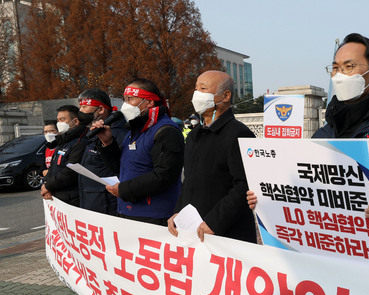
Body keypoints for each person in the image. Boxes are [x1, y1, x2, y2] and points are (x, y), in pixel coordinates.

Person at [248, 33, 369, 273]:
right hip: (325, 261)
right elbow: (304, 189)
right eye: (335, 68)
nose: (339, 75)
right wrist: (266, 198)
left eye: (349, 67)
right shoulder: (324, 132)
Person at [168, 70, 256, 243]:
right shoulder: (195, 135)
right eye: (196, 89)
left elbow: (244, 185)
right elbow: (189, 180)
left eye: (203, 89)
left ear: (225, 96)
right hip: (194, 230)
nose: (196, 94)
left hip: (227, 233)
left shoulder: (238, 133)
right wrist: (178, 212)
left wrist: (215, 222)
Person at [94, 78, 183, 225]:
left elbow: (165, 175)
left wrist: (123, 189)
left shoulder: (165, 130)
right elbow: (121, 168)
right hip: (129, 210)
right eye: (124, 99)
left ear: (149, 102)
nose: (125, 104)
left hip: (154, 214)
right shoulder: (135, 129)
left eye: (131, 99)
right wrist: (107, 143)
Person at [77, 89, 128, 215]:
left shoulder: (119, 133)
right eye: (80, 107)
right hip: (92, 200)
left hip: (108, 203)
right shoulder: (93, 132)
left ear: (101, 110)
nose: (80, 111)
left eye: (84, 107)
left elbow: (121, 167)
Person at [41, 105, 87, 205]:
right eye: (58, 120)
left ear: (75, 121)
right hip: (58, 196)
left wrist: (48, 185)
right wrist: (45, 183)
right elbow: (53, 167)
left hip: (73, 198)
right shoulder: (62, 141)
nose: (59, 123)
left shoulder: (80, 142)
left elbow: (70, 172)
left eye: (62, 119)